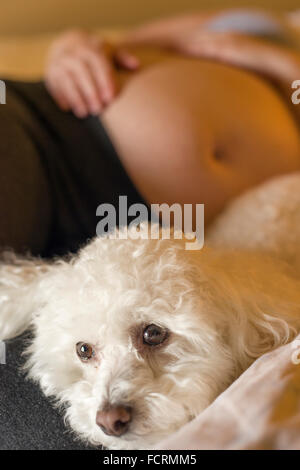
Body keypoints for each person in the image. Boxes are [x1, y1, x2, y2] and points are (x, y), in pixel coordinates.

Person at [1, 7, 300, 450]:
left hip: (154, 260)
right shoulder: (263, 18)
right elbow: (119, 46)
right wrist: (74, 45)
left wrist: (272, 61)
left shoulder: (270, 45)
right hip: (63, 138)